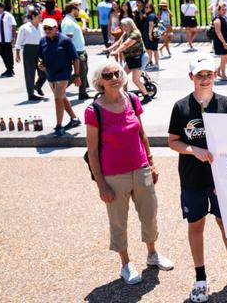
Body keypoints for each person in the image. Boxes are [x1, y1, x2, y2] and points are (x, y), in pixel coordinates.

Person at [168, 56, 227, 301]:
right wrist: (192, 149)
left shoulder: (226, 104)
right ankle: (200, 277)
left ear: (215, 75)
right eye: (199, 75)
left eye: (208, 74)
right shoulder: (181, 107)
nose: (204, 79)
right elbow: (173, 140)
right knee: (196, 225)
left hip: (221, 181)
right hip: (192, 178)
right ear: (191, 78)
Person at [85, 57, 172, 285]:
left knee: (150, 214)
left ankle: (152, 254)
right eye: (108, 76)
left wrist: (151, 162)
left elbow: (142, 135)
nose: (114, 78)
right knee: (118, 221)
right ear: (99, 82)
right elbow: (92, 152)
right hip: (114, 176)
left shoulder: (133, 99)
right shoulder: (94, 111)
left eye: (116, 74)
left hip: (141, 168)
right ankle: (125, 263)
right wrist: (101, 184)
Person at [38, 18, 81, 137]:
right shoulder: (42, 41)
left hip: (64, 73)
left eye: (49, 28)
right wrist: (40, 64)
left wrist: (77, 75)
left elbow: (75, 58)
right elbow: (41, 57)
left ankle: (59, 126)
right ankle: (74, 119)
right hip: (50, 73)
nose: (47, 30)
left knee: (57, 99)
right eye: (45, 28)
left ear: (56, 28)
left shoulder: (65, 40)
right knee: (61, 97)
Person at [107, 18, 153, 104]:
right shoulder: (125, 33)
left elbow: (126, 44)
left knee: (135, 79)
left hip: (140, 58)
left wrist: (116, 52)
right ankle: (125, 94)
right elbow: (119, 42)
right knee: (121, 75)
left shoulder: (135, 34)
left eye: (124, 25)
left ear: (129, 25)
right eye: (122, 25)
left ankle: (147, 96)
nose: (122, 27)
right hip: (131, 58)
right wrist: (108, 49)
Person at [61, 1, 90, 100]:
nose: (79, 11)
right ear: (73, 10)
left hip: (80, 49)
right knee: (81, 72)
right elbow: (68, 39)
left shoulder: (71, 20)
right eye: (77, 9)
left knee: (84, 71)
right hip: (76, 51)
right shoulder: (68, 22)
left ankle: (83, 93)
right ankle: (60, 88)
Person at [15, 10, 46, 101]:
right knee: (29, 73)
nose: (40, 18)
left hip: (40, 49)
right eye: (38, 17)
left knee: (44, 72)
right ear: (33, 16)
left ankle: (38, 86)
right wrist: (17, 54)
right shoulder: (24, 27)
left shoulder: (42, 27)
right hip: (29, 50)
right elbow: (18, 42)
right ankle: (31, 94)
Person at [0, 1, 17, 77]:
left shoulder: (8, 15)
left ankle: (10, 69)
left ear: (2, 7)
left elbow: (13, 26)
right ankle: (7, 68)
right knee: (3, 54)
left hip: (7, 39)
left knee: (8, 54)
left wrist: (13, 37)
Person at [212, 2, 227, 80]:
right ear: (218, 10)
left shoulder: (223, 18)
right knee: (223, 59)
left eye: (225, 10)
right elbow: (218, 32)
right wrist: (224, 42)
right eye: (223, 10)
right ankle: (223, 76)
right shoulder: (217, 20)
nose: (224, 11)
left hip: (226, 42)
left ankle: (218, 70)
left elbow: (226, 31)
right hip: (221, 43)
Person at [141, 1, 160, 70]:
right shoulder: (150, 15)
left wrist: (149, 34)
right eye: (145, 7)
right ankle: (149, 63)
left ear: (151, 8)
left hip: (151, 35)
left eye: (147, 7)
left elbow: (151, 25)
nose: (145, 9)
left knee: (154, 49)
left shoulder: (151, 15)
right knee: (149, 49)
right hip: (151, 35)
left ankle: (156, 64)